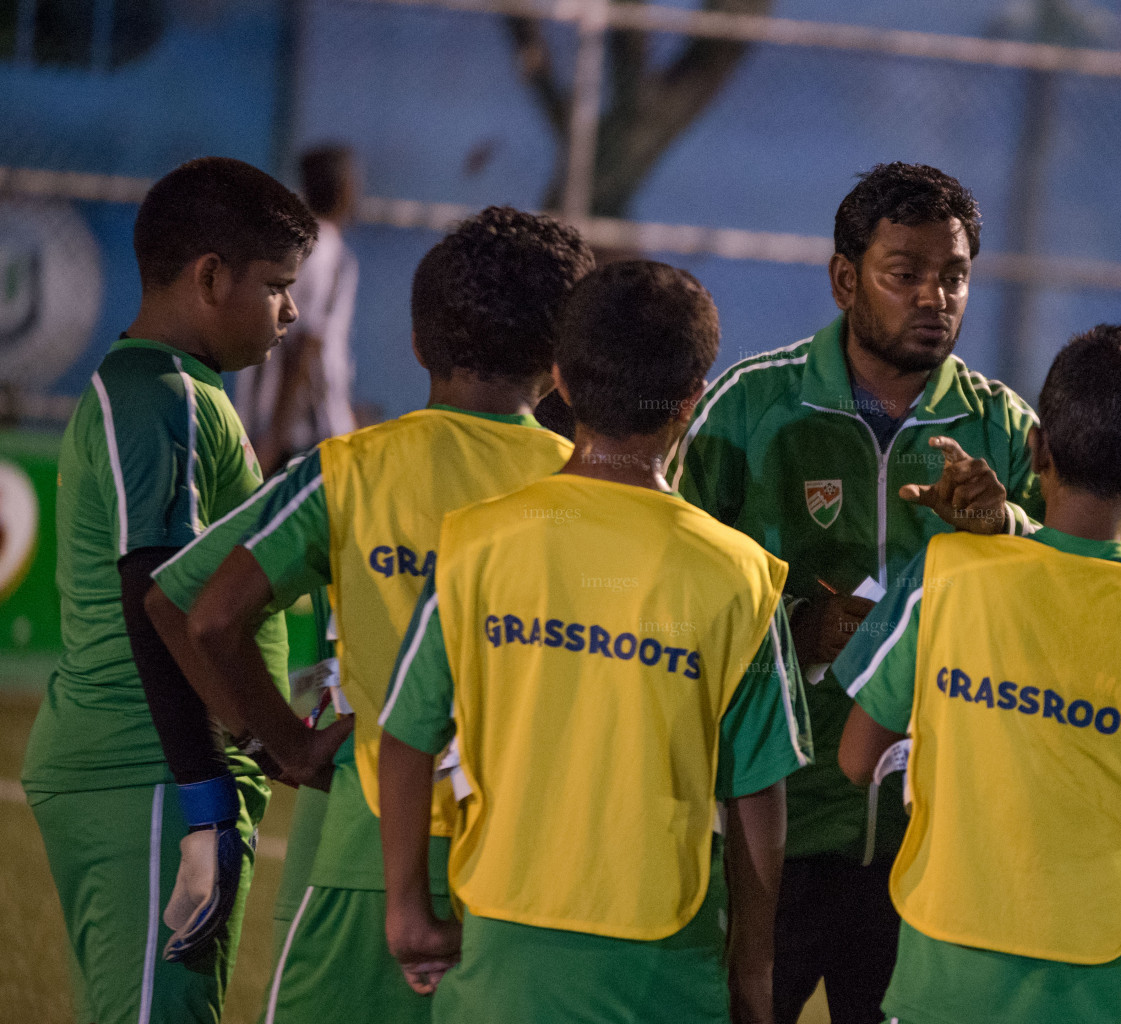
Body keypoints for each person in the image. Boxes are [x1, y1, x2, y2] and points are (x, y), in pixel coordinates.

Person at [144, 206, 595, 1024]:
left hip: (370, 848)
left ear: (419, 343)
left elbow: (190, 611)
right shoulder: (591, 491)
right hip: (542, 867)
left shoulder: (355, 469)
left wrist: (277, 742)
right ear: (561, 366)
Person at [378, 260, 811, 1023]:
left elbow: (408, 734)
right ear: (690, 401)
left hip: (501, 958)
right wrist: (753, 969)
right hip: (662, 971)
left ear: (560, 384)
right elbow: (756, 794)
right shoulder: (740, 577)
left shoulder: (478, 544)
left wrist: (408, 907)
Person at [669, 161, 1042, 1024]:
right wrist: (791, 630)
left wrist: (1008, 531)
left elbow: (1074, 604)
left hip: (936, 840)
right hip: (775, 825)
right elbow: (671, 577)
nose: (934, 298)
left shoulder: (1005, 431)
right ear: (845, 279)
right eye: (904, 274)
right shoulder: (750, 407)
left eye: (953, 276)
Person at [833, 322, 1121, 1024]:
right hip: (1102, 988)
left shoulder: (945, 572)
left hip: (946, 977)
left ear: (1037, 447)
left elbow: (858, 759)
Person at [19, 156, 317, 1024]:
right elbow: (156, 598)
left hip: (157, 769)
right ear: (211, 277)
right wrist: (199, 800)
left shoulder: (180, 392)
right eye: (277, 287)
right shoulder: (160, 396)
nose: (292, 312)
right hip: (148, 774)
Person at [238, 144, 361, 474]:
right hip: (302, 435)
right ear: (343, 188)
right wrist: (275, 439)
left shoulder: (294, 246)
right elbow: (307, 344)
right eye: (354, 179)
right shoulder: (325, 254)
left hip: (279, 424)